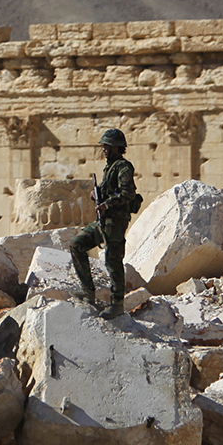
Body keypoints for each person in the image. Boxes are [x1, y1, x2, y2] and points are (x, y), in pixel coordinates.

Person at [69, 128, 139, 319]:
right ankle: (87, 290)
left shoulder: (124, 167)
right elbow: (107, 189)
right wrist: (96, 194)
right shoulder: (110, 167)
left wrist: (107, 203)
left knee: (113, 259)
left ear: (117, 147)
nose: (104, 149)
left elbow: (127, 194)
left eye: (107, 145)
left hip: (115, 221)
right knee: (77, 244)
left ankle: (117, 304)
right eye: (104, 145)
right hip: (104, 220)